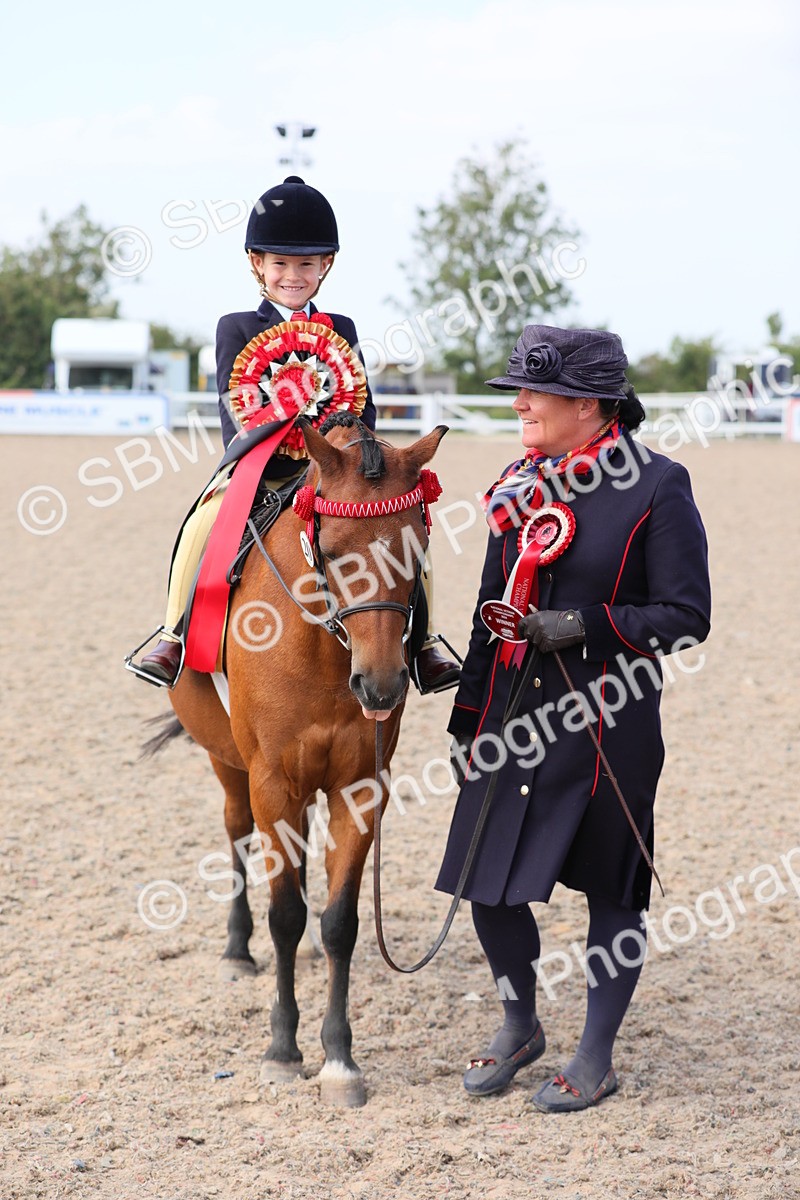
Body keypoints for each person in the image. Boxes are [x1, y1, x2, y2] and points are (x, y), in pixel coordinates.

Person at [435, 325, 711, 1112]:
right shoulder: (517, 487)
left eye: (533, 391)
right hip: (514, 719)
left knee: (611, 894)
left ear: (590, 405)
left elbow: (688, 614)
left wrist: (585, 625)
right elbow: (493, 611)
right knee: (486, 884)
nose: (518, 403)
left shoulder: (660, 485)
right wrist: (468, 717)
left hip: (606, 727)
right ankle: (519, 1025)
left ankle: (597, 1053)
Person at [135, 176, 459, 692]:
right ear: (257, 264)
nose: (293, 275)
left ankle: (423, 645)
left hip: (332, 473)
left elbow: (361, 408)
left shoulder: (342, 327)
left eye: (306, 264)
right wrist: (271, 442)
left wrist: (347, 455)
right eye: (281, 264)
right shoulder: (236, 326)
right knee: (204, 522)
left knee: (405, 532)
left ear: (325, 266)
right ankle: (174, 631)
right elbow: (233, 408)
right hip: (260, 469)